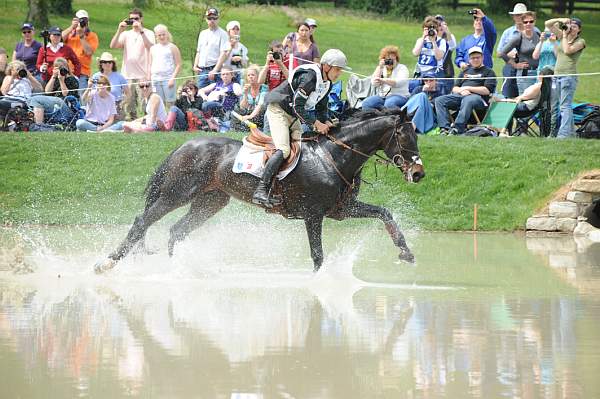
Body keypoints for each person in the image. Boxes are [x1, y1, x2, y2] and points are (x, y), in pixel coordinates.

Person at [252, 49, 349, 207]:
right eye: (337, 69)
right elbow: (298, 105)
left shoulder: (327, 83)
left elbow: (321, 110)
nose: (339, 73)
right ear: (326, 67)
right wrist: (316, 124)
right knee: (284, 150)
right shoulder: (310, 77)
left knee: (302, 149)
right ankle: (261, 189)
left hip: (292, 116)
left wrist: (326, 121)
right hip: (278, 110)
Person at [435, 46, 497, 135]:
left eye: (477, 57)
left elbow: (487, 90)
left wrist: (468, 88)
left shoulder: (489, 72)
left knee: (468, 99)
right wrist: (460, 91)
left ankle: (457, 128)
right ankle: (444, 128)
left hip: (478, 99)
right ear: (469, 59)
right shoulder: (465, 71)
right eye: (472, 58)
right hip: (461, 95)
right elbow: (454, 88)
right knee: (440, 100)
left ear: (482, 57)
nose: (475, 60)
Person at [109, 8, 155, 119]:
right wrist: (119, 30)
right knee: (129, 105)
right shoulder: (126, 34)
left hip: (143, 75)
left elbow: (151, 47)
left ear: (141, 19)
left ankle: (146, 122)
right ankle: (132, 124)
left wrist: (141, 31)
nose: (134, 21)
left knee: (145, 103)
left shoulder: (148, 33)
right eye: (131, 19)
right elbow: (113, 46)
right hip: (127, 75)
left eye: (136, 19)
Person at [545, 17, 585, 139]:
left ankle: (563, 135)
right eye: (570, 25)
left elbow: (568, 51)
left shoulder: (581, 42)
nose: (571, 28)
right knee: (558, 106)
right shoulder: (563, 38)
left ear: (579, 30)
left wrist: (563, 34)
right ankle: (571, 133)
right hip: (557, 75)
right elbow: (548, 24)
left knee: (565, 106)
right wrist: (561, 20)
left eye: (574, 26)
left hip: (568, 76)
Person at [499, 66, 554, 135]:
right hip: (529, 107)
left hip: (526, 108)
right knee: (504, 104)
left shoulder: (538, 87)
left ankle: (504, 131)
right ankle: (504, 131)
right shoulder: (547, 87)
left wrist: (505, 100)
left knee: (505, 107)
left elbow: (522, 98)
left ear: (541, 75)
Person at [497, 3, 534, 99]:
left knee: (527, 95)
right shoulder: (508, 32)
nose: (519, 17)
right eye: (517, 15)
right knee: (508, 94)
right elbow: (499, 52)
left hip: (528, 67)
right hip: (510, 65)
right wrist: (510, 54)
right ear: (513, 17)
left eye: (521, 15)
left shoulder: (535, 31)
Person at [28, 57, 79, 124]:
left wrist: (61, 80)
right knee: (30, 99)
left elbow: (66, 95)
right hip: (54, 103)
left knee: (36, 99)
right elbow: (47, 91)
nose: (60, 70)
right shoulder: (55, 79)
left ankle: (39, 125)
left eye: (62, 67)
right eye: (57, 68)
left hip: (65, 105)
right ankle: (38, 124)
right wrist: (53, 76)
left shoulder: (72, 79)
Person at [361, 45, 410, 111]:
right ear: (383, 59)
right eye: (388, 60)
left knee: (389, 104)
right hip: (383, 96)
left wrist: (384, 80)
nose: (390, 63)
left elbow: (398, 83)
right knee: (366, 103)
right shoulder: (381, 68)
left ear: (396, 59)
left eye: (392, 60)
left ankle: (395, 119)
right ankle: (376, 119)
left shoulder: (402, 68)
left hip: (400, 95)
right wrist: (380, 67)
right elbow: (374, 83)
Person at [62, 9, 99, 90]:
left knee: (81, 98)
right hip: (67, 71)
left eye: (84, 20)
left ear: (88, 22)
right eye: (79, 20)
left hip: (82, 73)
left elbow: (89, 52)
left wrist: (81, 36)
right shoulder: (70, 33)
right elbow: (58, 39)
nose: (82, 22)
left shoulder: (92, 36)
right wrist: (72, 27)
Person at [193, 7, 229, 89]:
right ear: (206, 19)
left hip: (214, 70)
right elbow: (199, 51)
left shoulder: (223, 34)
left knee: (215, 96)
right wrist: (195, 66)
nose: (212, 20)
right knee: (200, 95)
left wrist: (215, 70)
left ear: (218, 19)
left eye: (214, 18)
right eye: (209, 18)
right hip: (202, 71)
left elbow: (223, 54)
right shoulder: (202, 33)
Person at [148, 24, 181, 109]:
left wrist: (172, 79)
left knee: (170, 103)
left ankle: (172, 121)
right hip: (155, 79)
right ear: (156, 36)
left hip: (168, 79)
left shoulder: (172, 47)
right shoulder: (153, 48)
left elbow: (178, 64)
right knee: (158, 103)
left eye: (163, 34)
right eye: (159, 35)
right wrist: (149, 78)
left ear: (167, 34)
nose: (162, 37)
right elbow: (150, 64)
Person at [91, 52, 129, 119]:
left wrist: (122, 104)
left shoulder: (119, 77)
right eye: (104, 62)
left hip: (116, 106)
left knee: (118, 124)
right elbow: (92, 94)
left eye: (110, 62)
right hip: (100, 105)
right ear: (101, 64)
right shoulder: (95, 76)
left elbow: (128, 93)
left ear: (113, 64)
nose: (107, 64)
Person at [412, 16, 447, 80]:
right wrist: (423, 37)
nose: (429, 31)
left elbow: (439, 57)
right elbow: (415, 53)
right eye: (427, 29)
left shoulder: (441, 41)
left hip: (435, 72)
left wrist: (433, 41)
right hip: (420, 71)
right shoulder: (420, 40)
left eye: (432, 28)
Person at [233, 65, 268, 130]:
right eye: (248, 75)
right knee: (236, 108)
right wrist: (245, 94)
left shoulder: (264, 89)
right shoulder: (247, 88)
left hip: (260, 115)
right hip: (249, 113)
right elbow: (242, 107)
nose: (250, 77)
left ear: (258, 76)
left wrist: (250, 116)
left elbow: (260, 106)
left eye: (253, 75)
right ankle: (236, 130)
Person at [435, 15, 457, 95]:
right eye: (437, 24)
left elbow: (453, 45)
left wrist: (447, 31)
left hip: (446, 73)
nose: (439, 26)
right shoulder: (431, 38)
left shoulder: (449, 37)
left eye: (441, 24)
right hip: (434, 73)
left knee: (446, 94)